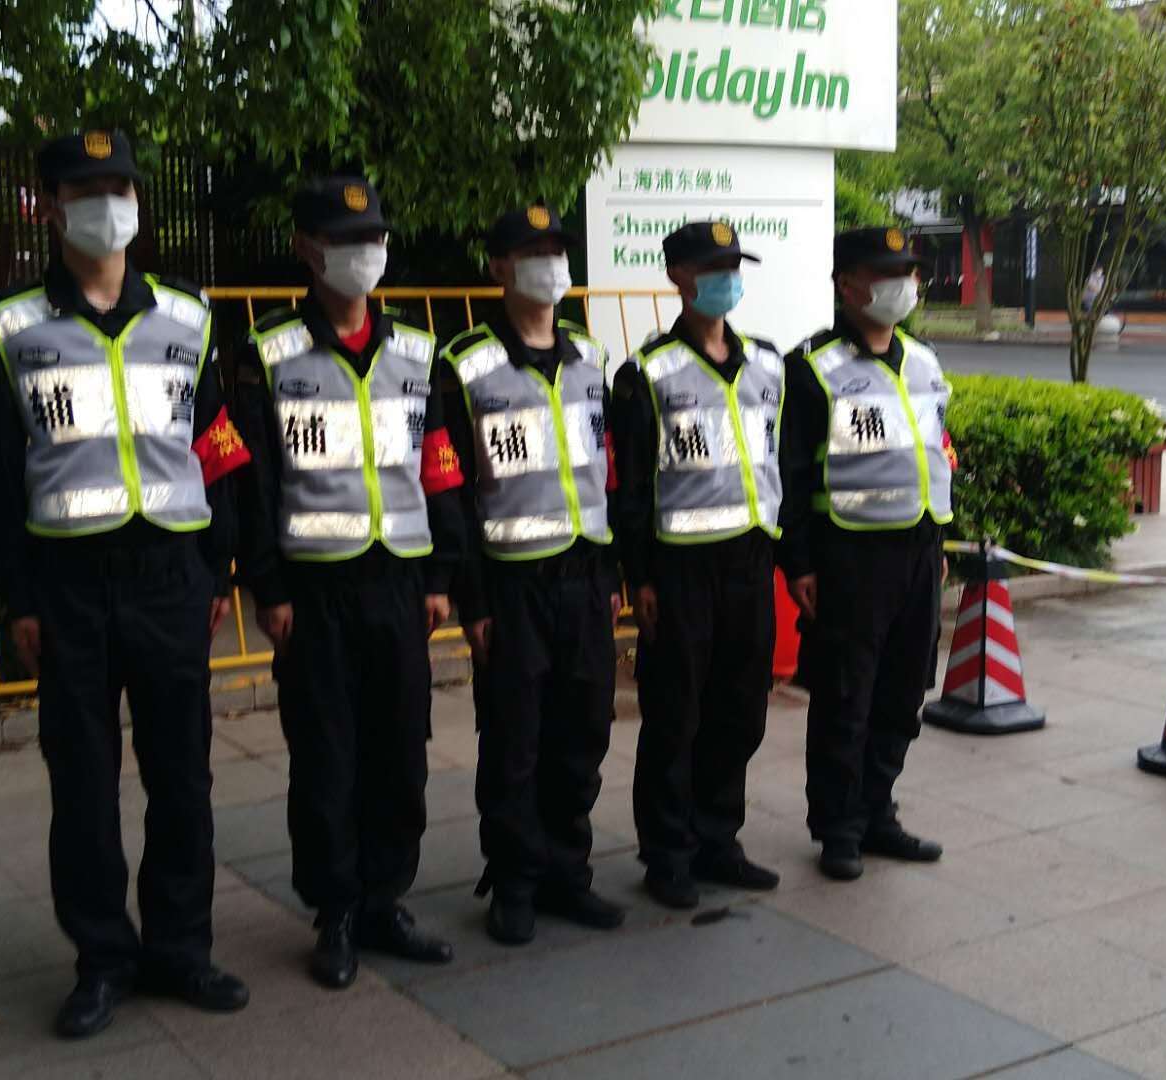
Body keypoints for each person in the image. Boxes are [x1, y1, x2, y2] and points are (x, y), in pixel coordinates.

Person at [0, 130, 249, 1038]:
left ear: (137, 201)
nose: (105, 205)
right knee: (83, 785)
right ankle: (102, 960)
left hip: (171, 573)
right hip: (69, 583)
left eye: (118, 188)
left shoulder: (188, 317)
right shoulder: (10, 327)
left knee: (183, 776)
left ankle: (181, 948)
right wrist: (16, 596)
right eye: (85, 191)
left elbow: (218, 446)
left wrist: (219, 564)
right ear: (50, 208)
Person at [233, 174, 461, 988]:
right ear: (306, 248)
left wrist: (439, 573)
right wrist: (268, 587)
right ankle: (334, 910)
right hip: (315, 591)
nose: (365, 253)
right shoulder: (266, 354)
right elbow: (252, 481)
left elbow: (438, 469)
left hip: (398, 582)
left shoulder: (416, 353)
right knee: (327, 754)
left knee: (400, 749)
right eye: (345, 239)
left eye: (374, 239)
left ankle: (383, 901)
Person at [440, 204, 625, 945]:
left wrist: (613, 572)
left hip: (585, 577)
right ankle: (514, 881)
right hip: (511, 584)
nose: (550, 265)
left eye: (557, 252)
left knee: (583, 733)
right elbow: (453, 491)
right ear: (498, 267)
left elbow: (606, 471)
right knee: (514, 741)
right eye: (532, 253)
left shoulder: (589, 358)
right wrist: (473, 601)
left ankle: (566, 873)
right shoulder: (466, 364)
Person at [611, 220, 784, 909]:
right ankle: (667, 853)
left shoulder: (766, 364)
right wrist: (639, 576)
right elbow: (630, 488)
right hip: (681, 570)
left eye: (734, 267)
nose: (727, 279)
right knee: (675, 715)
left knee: (740, 711)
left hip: (749, 559)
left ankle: (718, 839)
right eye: (713, 268)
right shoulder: (647, 373)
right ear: (677, 277)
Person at [779, 226, 954, 883]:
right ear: (847, 285)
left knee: (904, 691)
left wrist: (939, 539)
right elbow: (791, 475)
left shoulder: (923, 360)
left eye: (908, 273)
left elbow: (934, 453)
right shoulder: (812, 368)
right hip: (850, 555)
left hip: (917, 549)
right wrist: (799, 563)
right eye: (886, 274)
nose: (901, 286)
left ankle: (877, 811)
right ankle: (838, 828)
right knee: (845, 697)